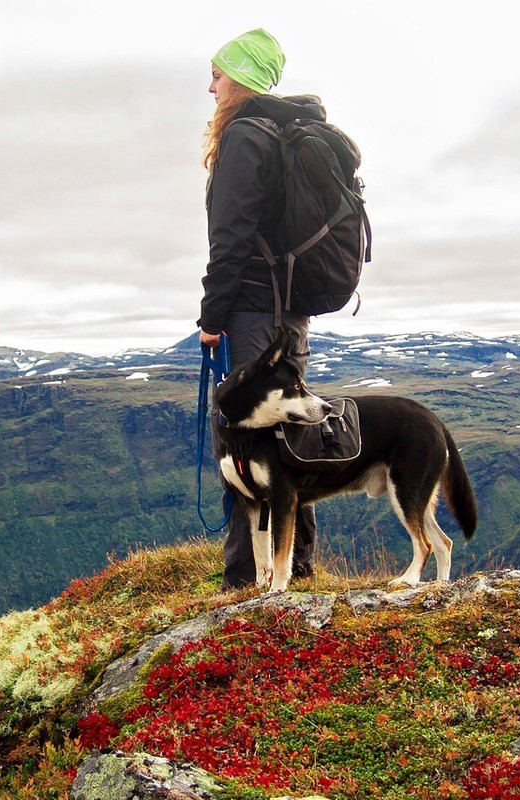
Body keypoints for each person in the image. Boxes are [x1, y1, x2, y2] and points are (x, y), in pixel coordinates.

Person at [196, 28, 324, 589]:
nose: (211, 86)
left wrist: (211, 316)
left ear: (242, 78)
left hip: (252, 310)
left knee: (246, 439)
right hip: (289, 312)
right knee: (288, 434)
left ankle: (244, 578)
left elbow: (230, 239)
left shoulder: (245, 137)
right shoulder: (282, 134)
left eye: (218, 75)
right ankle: (294, 566)